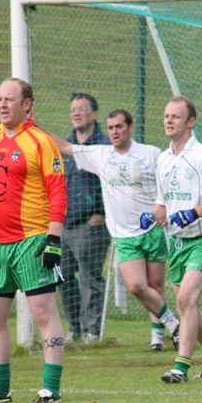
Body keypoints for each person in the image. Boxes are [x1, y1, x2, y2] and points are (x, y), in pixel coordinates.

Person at [0, 77, 67, 403]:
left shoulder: (40, 141)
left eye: (10, 99)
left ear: (27, 104)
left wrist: (53, 239)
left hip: (32, 242)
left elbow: (58, 191)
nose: (3, 105)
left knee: (43, 312)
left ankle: (50, 389)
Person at [42, 109, 180, 352]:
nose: (115, 132)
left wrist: (166, 209)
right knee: (137, 286)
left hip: (152, 230)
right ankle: (174, 324)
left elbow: (171, 182)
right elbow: (65, 147)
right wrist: (33, 125)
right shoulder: (101, 154)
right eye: (111, 128)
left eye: (119, 127)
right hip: (124, 235)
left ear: (129, 127)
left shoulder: (150, 154)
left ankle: (158, 337)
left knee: (156, 286)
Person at [140, 96, 202, 383]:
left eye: (176, 116)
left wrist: (195, 213)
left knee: (185, 299)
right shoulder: (163, 159)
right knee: (187, 305)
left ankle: (180, 367)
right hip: (178, 242)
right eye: (166, 116)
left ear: (191, 122)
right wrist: (152, 215)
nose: (168, 121)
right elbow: (163, 204)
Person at [58, 92, 111, 343]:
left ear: (95, 114)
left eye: (82, 109)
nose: (77, 113)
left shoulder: (104, 145)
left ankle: (92, 331)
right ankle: (75, 327)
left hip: (91, 225)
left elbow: (113, 182)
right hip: (63, 225)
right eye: (73, 110)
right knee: (62, 275)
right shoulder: (64, 145)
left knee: (90, 278)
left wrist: (101, 212)